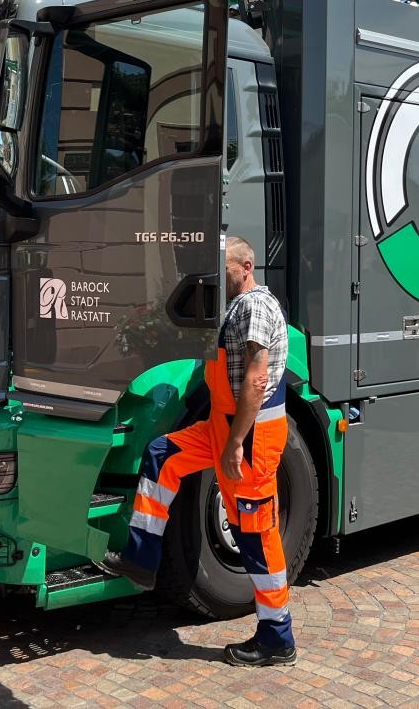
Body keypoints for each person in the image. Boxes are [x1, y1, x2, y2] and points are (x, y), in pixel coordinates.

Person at [96, 236, 296, 666]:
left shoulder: (255, 307)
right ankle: (141, 560)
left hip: (250, 437)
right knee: (162, 455)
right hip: (220, 429)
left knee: (255, 536)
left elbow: (257, 381)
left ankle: (277, 637)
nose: (213, 275)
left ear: (245, 266)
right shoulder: (231, 308)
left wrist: (237, 443)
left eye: (221, 266)